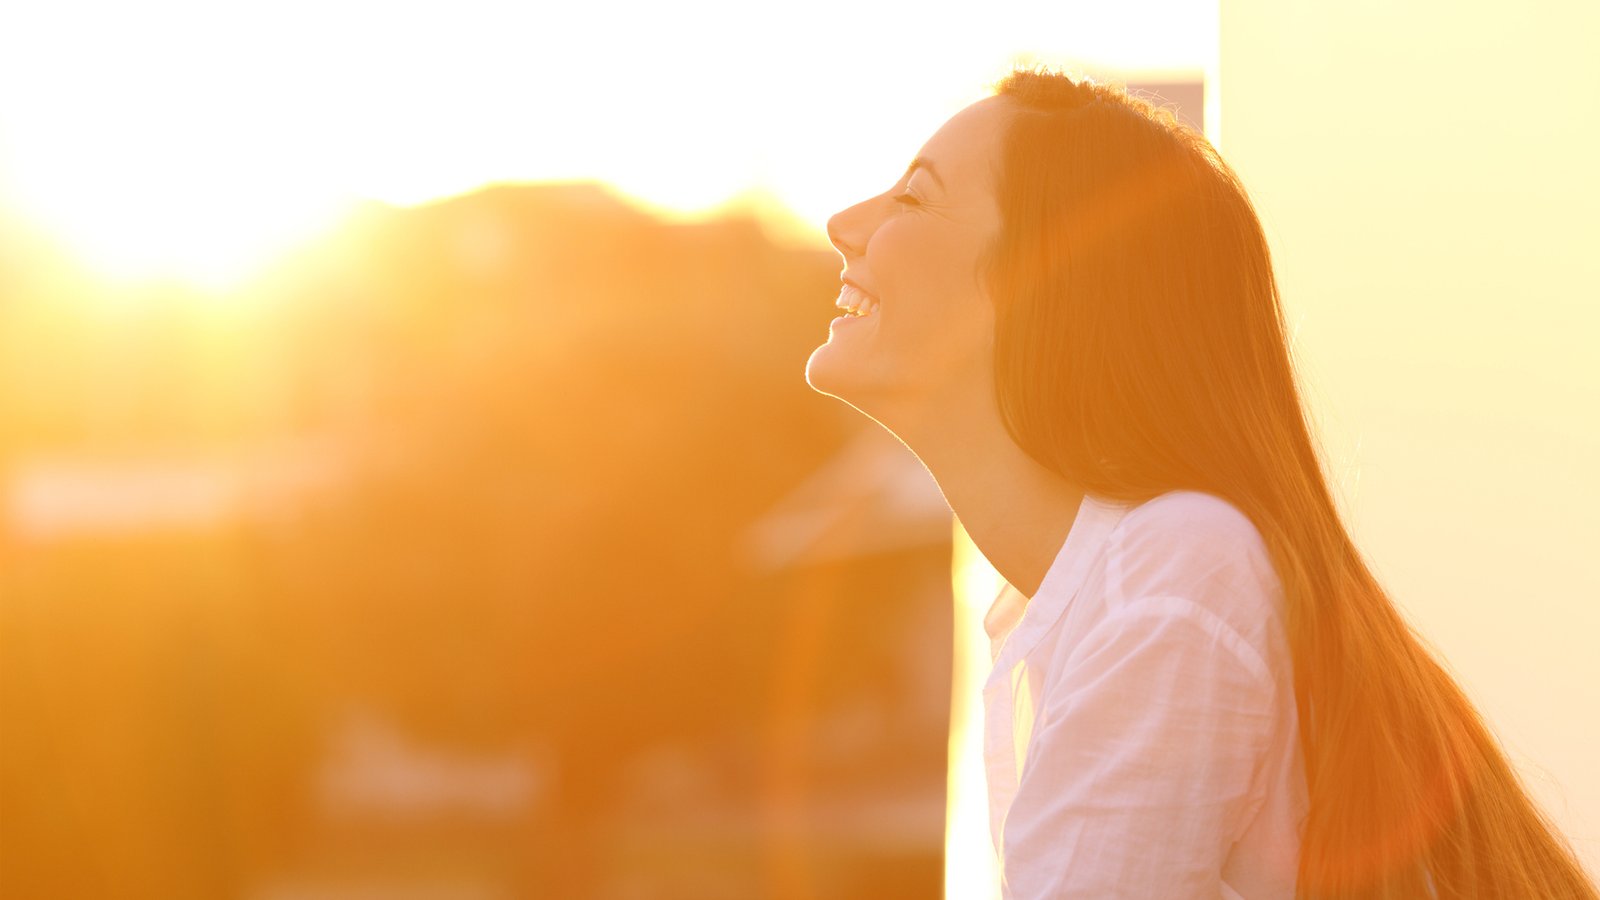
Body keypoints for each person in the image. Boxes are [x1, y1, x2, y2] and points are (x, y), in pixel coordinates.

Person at [804, 66, 1598, 899]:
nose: (843, 225)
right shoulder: (1110, 593)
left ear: (1042, 281)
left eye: (914, 198)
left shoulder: (1174, 575)